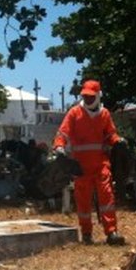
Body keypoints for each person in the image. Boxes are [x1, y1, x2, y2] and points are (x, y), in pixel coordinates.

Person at [53, 79, 126, 245]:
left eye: (91, 96)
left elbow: (110, 135)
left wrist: (118, 141)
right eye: (85, 96)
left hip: (101, 164)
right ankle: (86, 234)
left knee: (106, 197)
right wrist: (58, 147)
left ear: (98, 96)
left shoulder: (105, 114)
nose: (87, 99)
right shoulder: (74, 113)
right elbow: (62, 134)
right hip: (81, 167)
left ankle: (111, 232)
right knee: (83, 200)